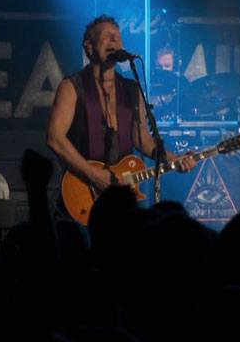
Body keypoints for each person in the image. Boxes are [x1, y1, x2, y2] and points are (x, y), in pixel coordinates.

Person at [47, 14, 195, 220]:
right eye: (107, 36)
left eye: (117, 37)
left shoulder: (131, 89)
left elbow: (143, 140)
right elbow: (54, 138)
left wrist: (176, 159)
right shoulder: (71, 87)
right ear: (89, 46)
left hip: (121, 200)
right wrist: (94, 175)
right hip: (81, 194)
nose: (114, 41)